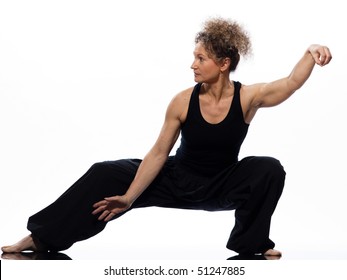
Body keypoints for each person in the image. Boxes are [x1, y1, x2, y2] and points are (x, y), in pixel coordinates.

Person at [1, 17, 332, 258]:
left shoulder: (247, 98)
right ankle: (40, 238)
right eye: (194, 57)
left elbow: (289, 83)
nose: (193, 64)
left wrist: (310, 52)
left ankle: (252, 244)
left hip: (221, 183)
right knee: (104, 172)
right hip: (174, 179)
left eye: (201, 58)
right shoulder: (181, 101)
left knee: (269, 168)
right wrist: (129, 198)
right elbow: (159, 153)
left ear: (223, 63)